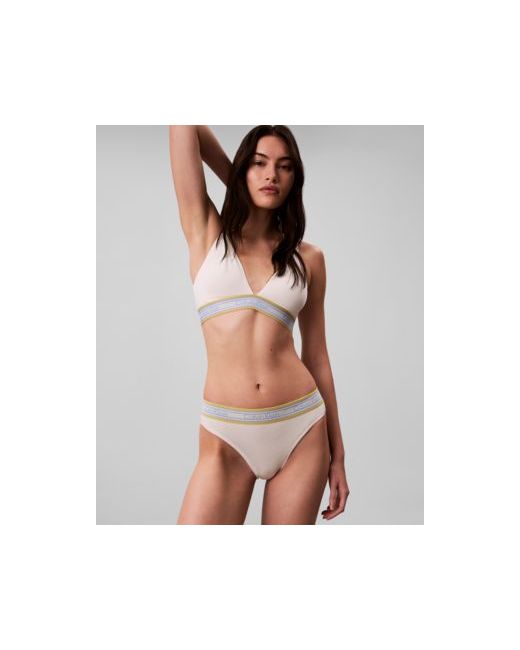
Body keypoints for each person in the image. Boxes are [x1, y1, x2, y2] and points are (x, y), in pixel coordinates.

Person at [169, 125, 349, 524]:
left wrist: (338, 456)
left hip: (301, 429)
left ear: (295, 179)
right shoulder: (205, 235)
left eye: (284, 167)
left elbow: (317, 356)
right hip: (225, 436)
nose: (272, 175)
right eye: (259, 164)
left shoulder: (309, 259)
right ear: (243, 170)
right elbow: (183, 126)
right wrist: (235, 179)